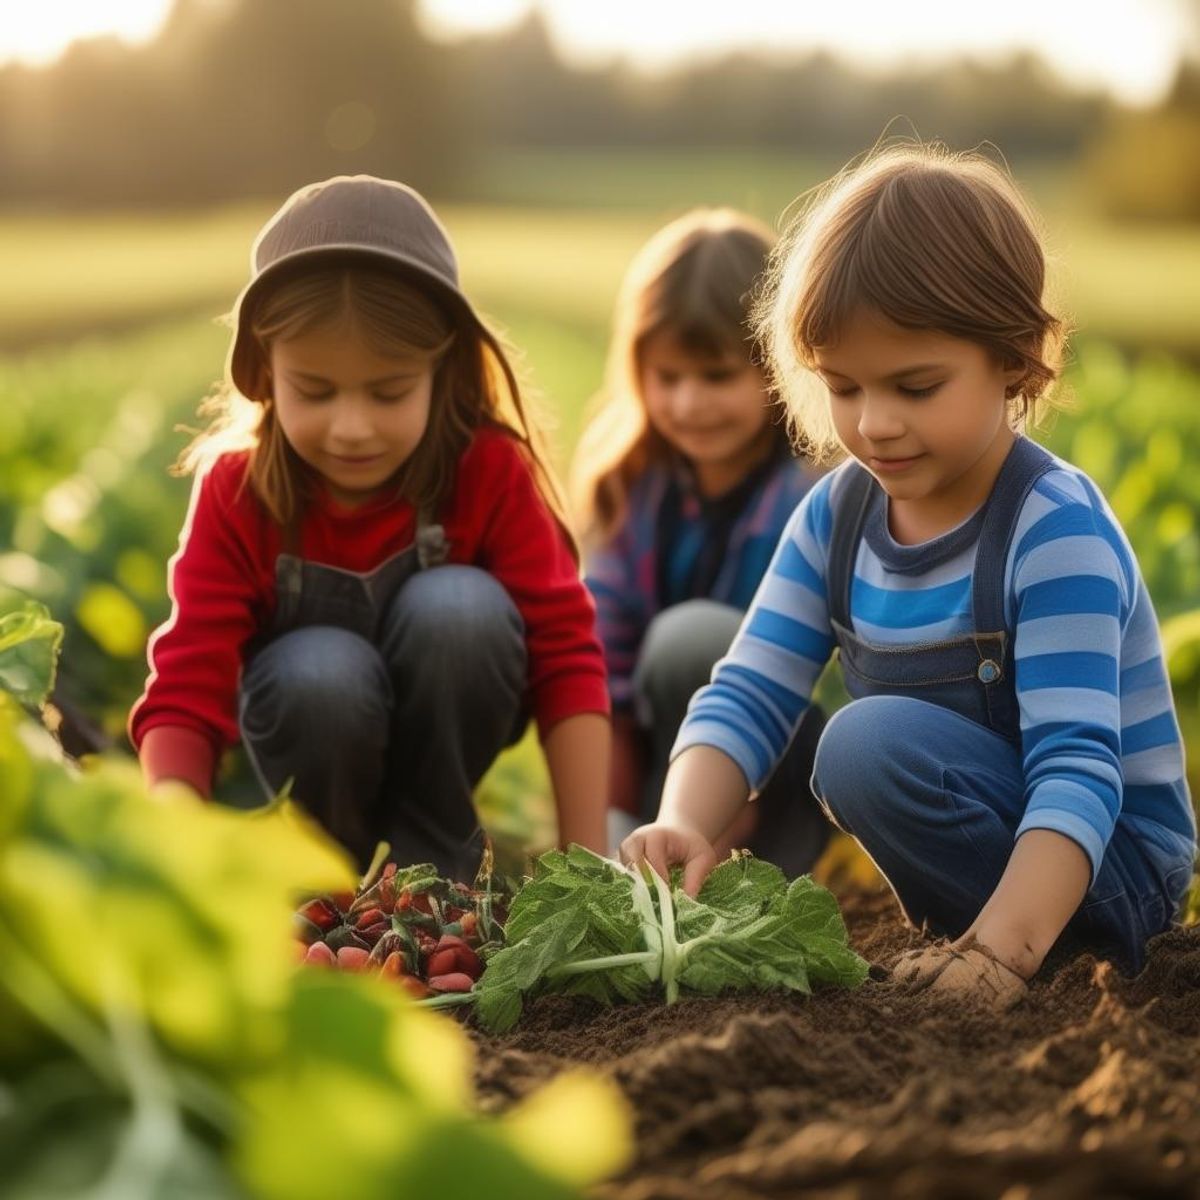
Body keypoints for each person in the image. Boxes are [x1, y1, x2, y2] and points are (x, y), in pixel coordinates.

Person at [619, 145, 1196, 1007]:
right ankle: (974, 941)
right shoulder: (836, 516)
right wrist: (681, 820)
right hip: (997, 857)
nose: (875, 423)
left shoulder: (1053, 532)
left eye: (916, 386)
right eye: (844, 387)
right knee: (863, 749)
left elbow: (1078, 771)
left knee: (866, 740)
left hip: (1110, 868)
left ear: (1015, 358)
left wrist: (1004, 954)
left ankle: (1018, 953)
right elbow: (750, 687)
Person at [129, 175, 610, 880]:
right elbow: (188, 681)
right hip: (309, 739)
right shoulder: (239, 492)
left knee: (460, 612)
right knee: (319, 671)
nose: (352, 429)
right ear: (264, 373)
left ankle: (437, 856)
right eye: (315, 391)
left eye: (389, 392)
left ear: (441, 370)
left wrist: (589, 860)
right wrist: (173, 849)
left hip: (449, 731)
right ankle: (330, 876)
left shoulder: (488, 471)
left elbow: (566, 655)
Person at [571, 208, 828, 874]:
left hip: (783, 784)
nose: (689, 404)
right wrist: (605, 826)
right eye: (668, 378)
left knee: (696, 639)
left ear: (780, 368)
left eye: (717, 377)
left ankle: (729, 863)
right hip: (668, 784)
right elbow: (603, 663)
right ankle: (645, 849)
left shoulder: (812, 494)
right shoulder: (631, 490)